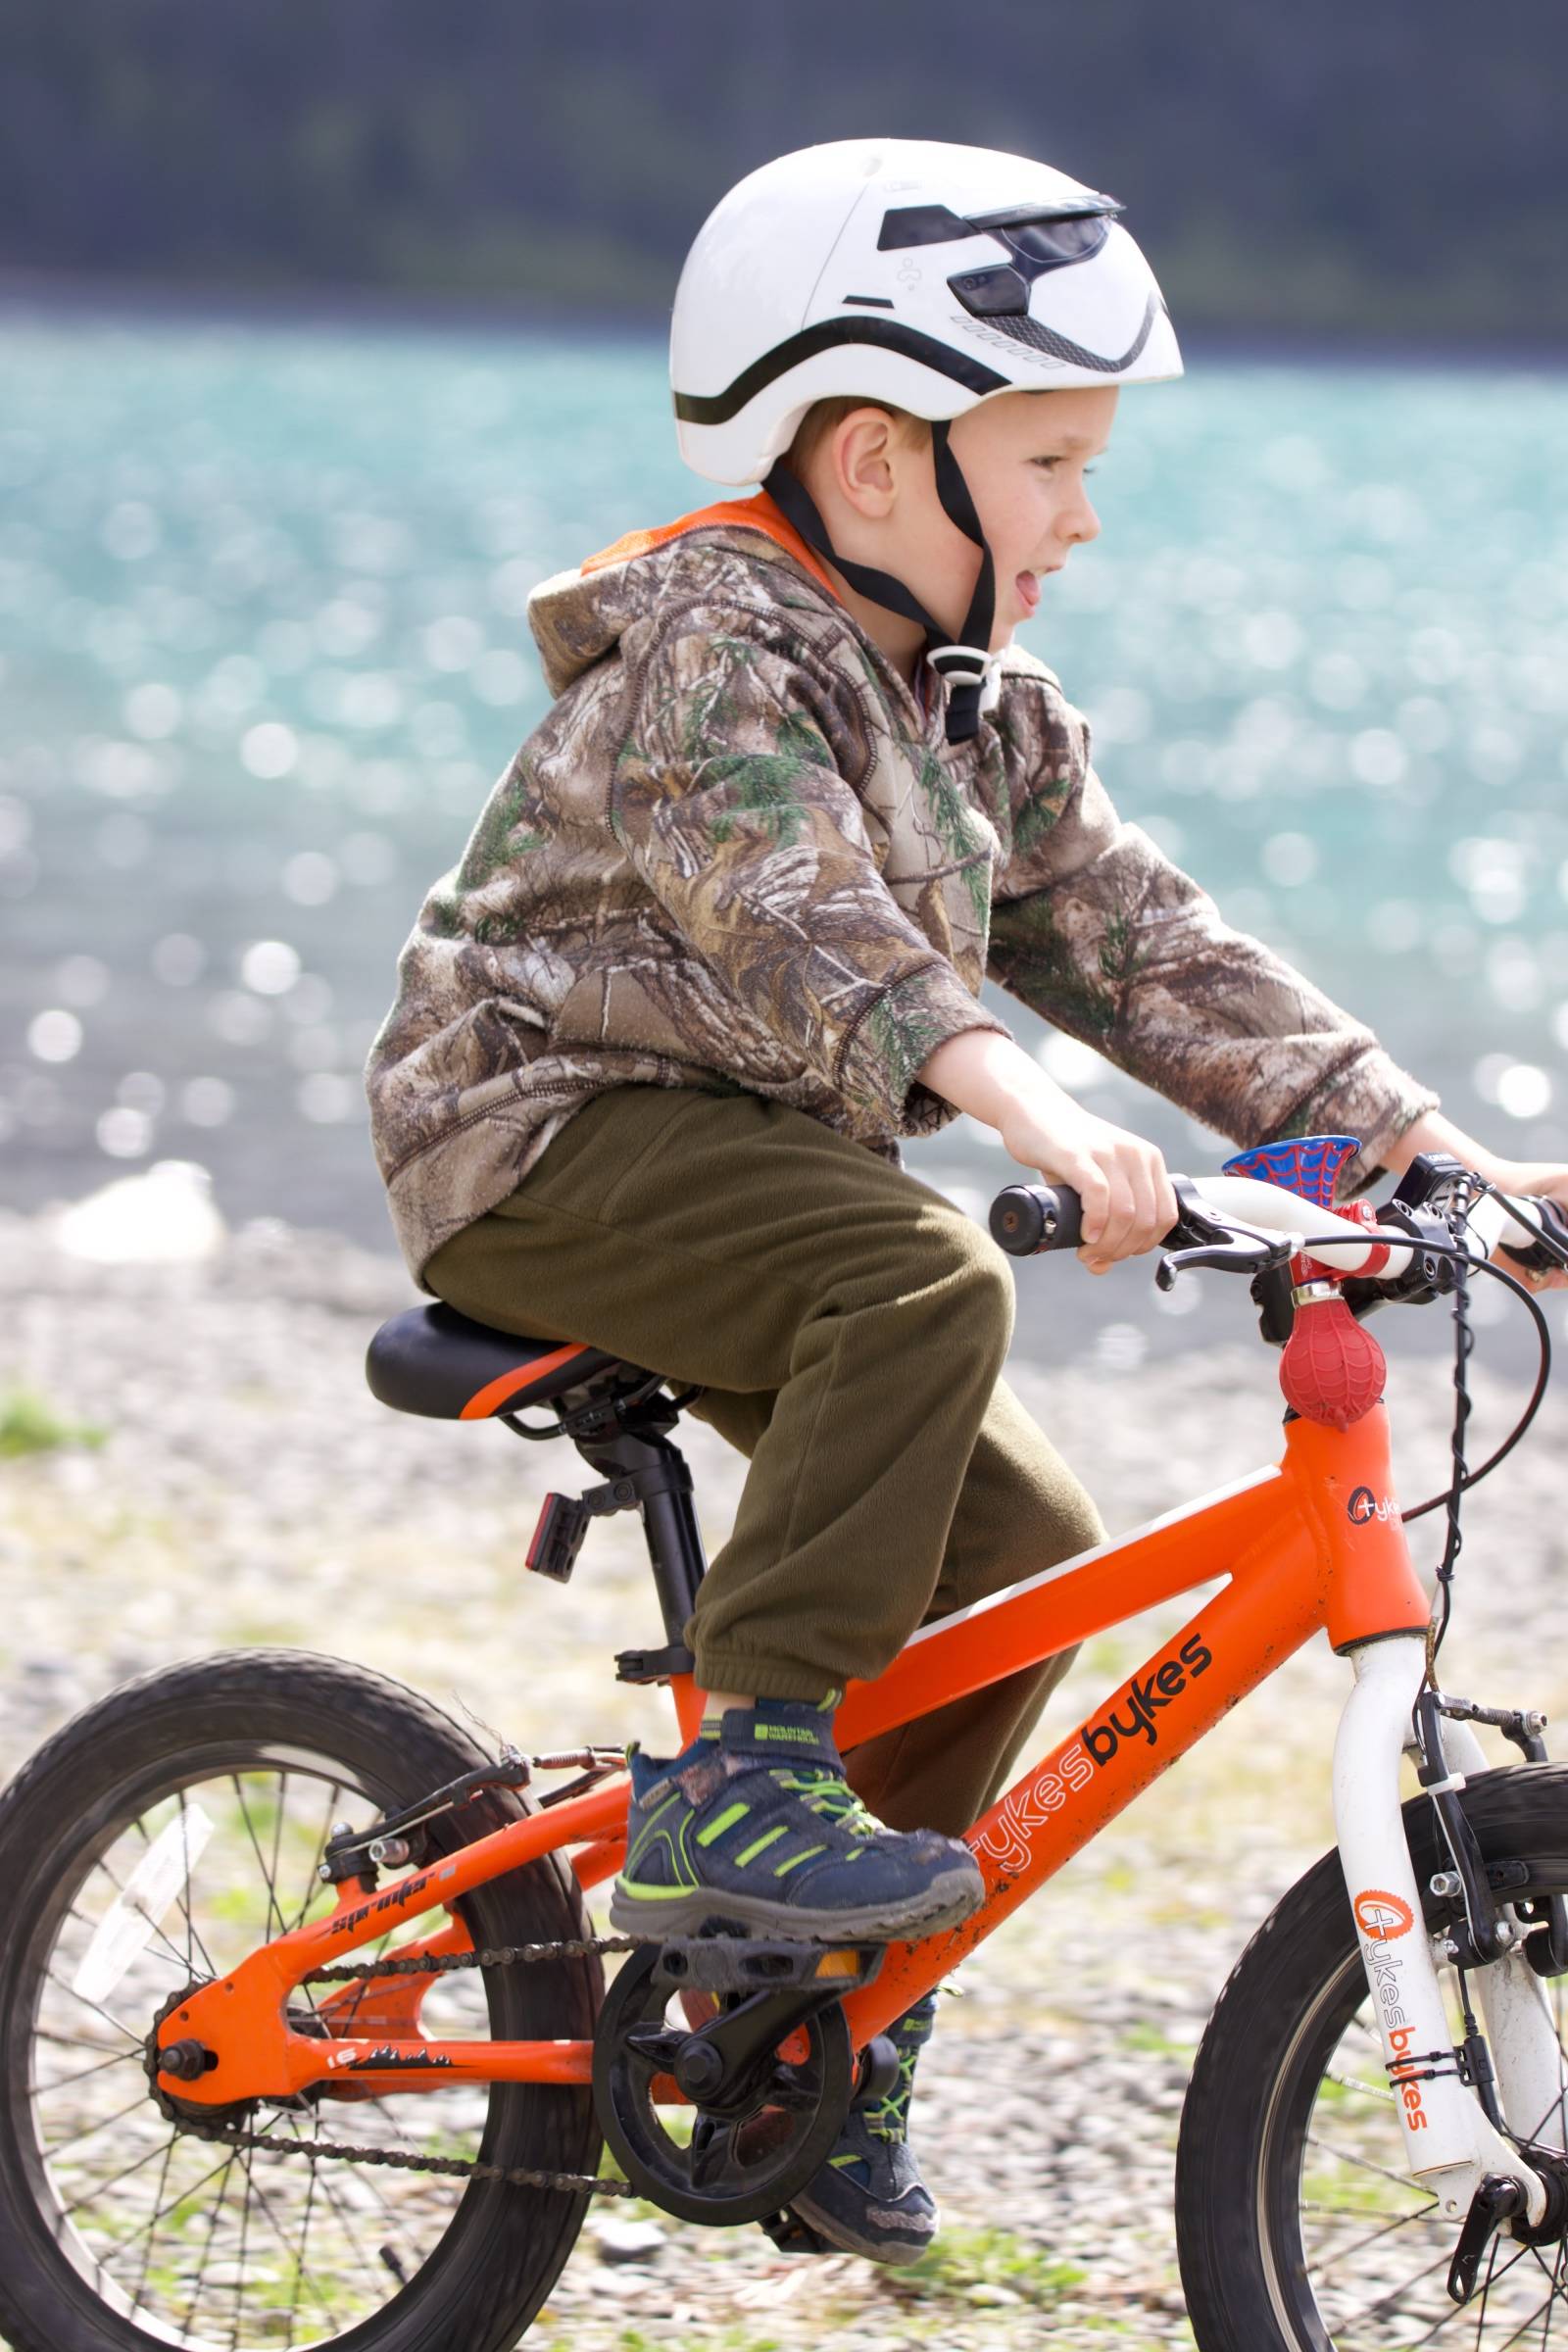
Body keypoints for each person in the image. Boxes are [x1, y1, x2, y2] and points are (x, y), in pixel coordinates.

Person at [365, 137, 1568, 2264]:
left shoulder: (973, 708)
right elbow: (803, 918)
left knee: (1018, 1548)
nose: (1084, 513)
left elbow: (1139, 941)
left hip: (758, 1169)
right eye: (1045, 462)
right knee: (920, 1276)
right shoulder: (704, 650)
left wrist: (1429, 1156)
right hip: (539, 1135)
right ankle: (735, 1789)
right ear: (867, 459)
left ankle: (818, 2015)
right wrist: (1020, 1112)